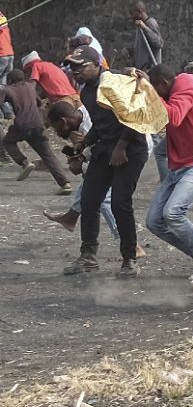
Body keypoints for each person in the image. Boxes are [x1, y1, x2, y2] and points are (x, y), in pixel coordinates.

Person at [62, 45, 149, 277]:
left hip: (131, 146)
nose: (75, 71)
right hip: (106, 148)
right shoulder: (86, 92)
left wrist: (121, 147)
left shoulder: (115, 81)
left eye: (81, 66)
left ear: (97, 65)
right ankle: (88, 256)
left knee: (121, 202)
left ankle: (130, 258)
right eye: (72, 67)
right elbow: (102, 125)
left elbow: (134, 115)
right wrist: (84, 143)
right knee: (90, 200)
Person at [140, 65, 193, 288]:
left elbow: (174, 117)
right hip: (181, 163)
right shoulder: (172, 91)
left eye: (157, 90)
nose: (157, 96)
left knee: (173, 212)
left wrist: (148, 90)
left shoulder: (185, 82)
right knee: (154, 221)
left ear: (165, 83)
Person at [43, 100, 134, 254]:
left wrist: (83, 165)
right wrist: (83, 158)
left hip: (127, 148)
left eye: (56, 128)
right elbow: (96, 148)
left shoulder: (87, 124)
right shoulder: (84, 113)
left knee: (102, 196)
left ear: (63, 121)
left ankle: (130, 244)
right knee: (91, 187)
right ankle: (71, 217)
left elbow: (104, 151)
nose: (57, 133)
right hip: (117, 146)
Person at [0, 69, 72, 194]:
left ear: (10, 81)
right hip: (38, 125)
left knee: (8, 142)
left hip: (21, 126)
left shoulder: (7, 90)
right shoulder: (30, 87)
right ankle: (65, 184)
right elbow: (39, 103)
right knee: (48, 155)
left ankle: (24, 162)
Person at [129, 1, 163, 72]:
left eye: (133, 14)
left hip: (150, 70)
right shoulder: (140, 26)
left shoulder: (150, 23)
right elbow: (142, 47)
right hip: (141, 70)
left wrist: (145, 28)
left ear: (139, 12)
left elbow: (159, 43)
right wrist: (129, 50)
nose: (132, 17)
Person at [0, 10, 14, 118]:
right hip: (9, 53)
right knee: (3, 85)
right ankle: (8, 113)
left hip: (1, 55)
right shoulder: (2, 17)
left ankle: (2, 114)